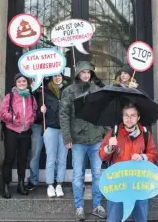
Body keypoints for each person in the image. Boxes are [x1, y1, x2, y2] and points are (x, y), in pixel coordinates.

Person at [59, 61, 107, 221]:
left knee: (97, 174)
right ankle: (79, 207)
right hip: (78, 140)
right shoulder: (69, 91)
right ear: (78, 74)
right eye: (83, 72)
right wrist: (67, 137)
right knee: (77, 175)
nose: (86, 75)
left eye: (89, 72)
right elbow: (64, 115)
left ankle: (97, 205)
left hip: (96, 138)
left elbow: (104, 113)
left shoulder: (97, 90)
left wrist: (106, 133)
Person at [99, 103, 158, 222]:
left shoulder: (146, 134)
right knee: (114, 218)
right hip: (117, 183)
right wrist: (109, 147)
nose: (129, 119)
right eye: (126, 115)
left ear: (138, 117)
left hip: (139, 183)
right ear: (122, 117)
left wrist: (142, 157)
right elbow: (102, 156)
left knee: (141, 217)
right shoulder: (113, 133)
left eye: (132, 115)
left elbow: (154, 155)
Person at [0, 73, 37, 199]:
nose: (21, 83)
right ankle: (5, 186)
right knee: (9, 158)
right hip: (12, 131)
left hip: (25, 132)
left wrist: (32, 118)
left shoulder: (31, 97)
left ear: (27, 83)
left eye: (24, 81)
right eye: (19, 81)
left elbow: (34, 111)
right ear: (15, 83)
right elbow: (2, 112)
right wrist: (13, 118)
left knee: (22, 159)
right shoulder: (10, 96)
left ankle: (21, 184)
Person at [38, 74, 68, 197]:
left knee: (62, 158)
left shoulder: (67, 91)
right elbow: (39, 116)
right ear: (51, 78)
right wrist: (41, 111)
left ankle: (59, 184)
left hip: (64, 129)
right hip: (50, 128)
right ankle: (50, 185)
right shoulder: (45, 92)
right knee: (51, 158)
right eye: (55, 76)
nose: (57, 78)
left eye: (59, 76)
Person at [25, 77, 48, 191]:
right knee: (35, 154)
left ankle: (53, 180)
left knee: (53, 155)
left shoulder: (49, 86)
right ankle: (33, 180)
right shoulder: (30, 91)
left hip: (51, 126)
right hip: (37, 125)